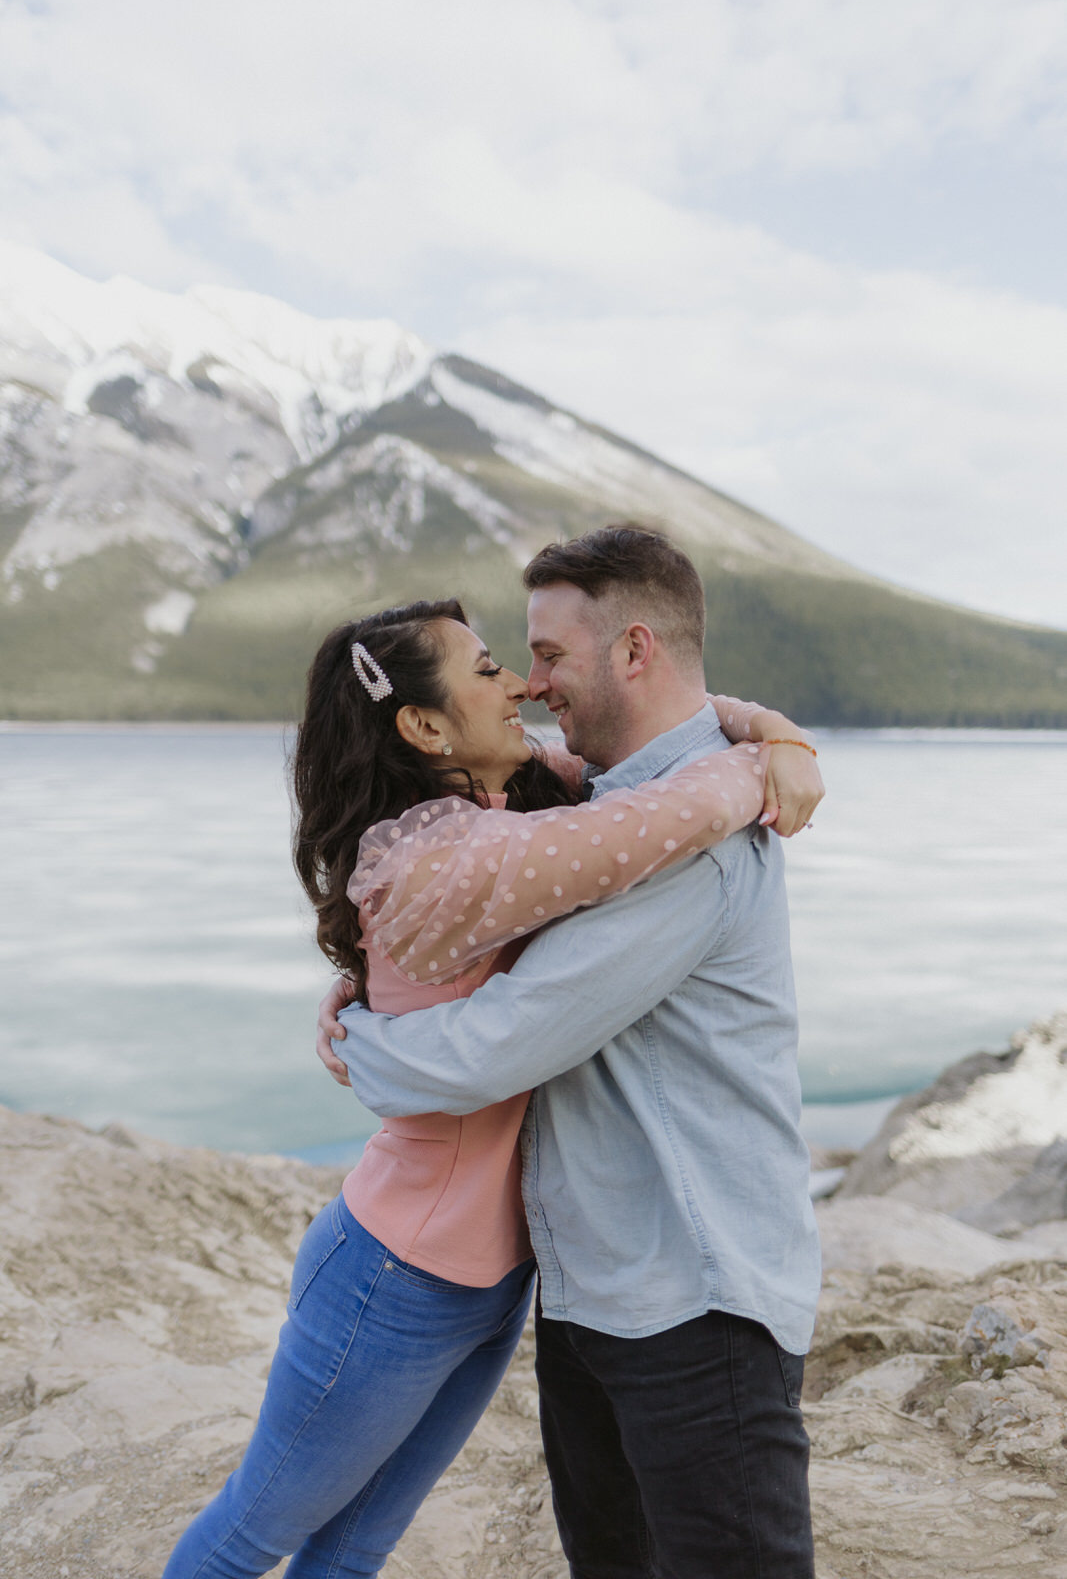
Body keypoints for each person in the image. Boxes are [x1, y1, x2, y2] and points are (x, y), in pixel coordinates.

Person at [164, 584, 822, 1579]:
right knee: (247, 1538)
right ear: (425, 725)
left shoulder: (490, 808)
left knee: (351, 1551)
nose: (517, 682)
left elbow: (635, 771)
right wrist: (766, 768)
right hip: (395, 1271)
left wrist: (764, 728)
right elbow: (647, 820)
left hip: (488, 1283)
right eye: (487, 671)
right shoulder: (450, 855)